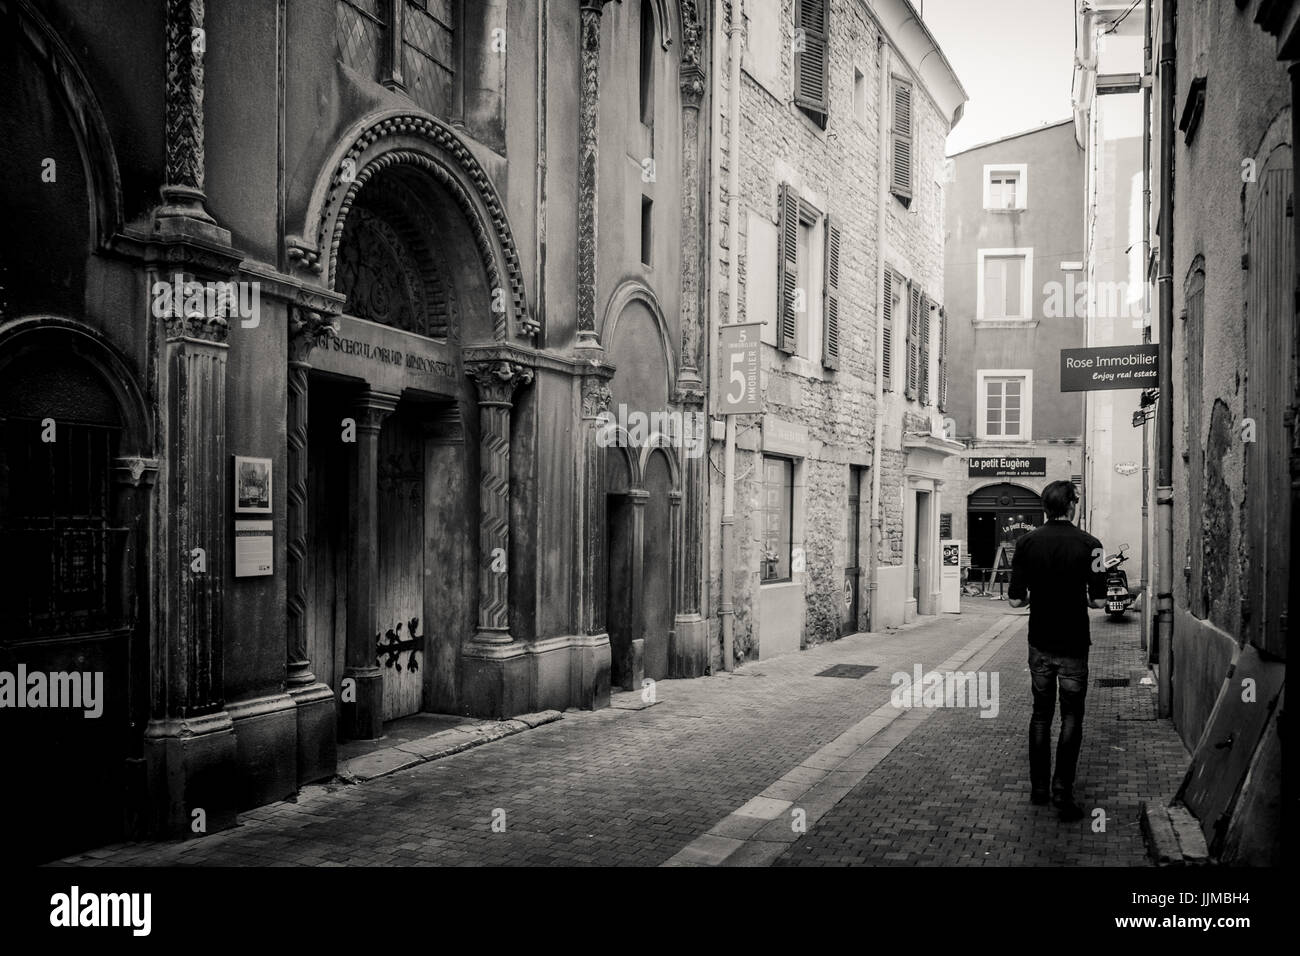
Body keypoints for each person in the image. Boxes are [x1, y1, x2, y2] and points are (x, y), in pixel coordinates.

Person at [1007, 479, 1108, 822]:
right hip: (1074, 644)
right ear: (1071, 506)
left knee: (1040, 715)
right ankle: (1062, 792)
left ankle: (1038, 790)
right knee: (1071, 717)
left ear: (1044, 508)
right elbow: (1098, 600)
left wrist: (1039, 595)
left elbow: (1015, 599)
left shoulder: (1025, 543)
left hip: (1040, 641)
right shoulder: (1092, 546)